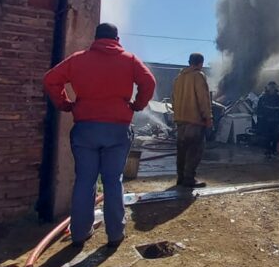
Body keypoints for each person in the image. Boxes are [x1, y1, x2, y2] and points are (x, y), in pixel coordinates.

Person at [43, 23, 156, 248]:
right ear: (116, 38)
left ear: (96, 38)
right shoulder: (129, 59)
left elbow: (50, 80)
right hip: (117, 130)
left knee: (84, 180)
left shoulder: (78, 59)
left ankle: (79, 234)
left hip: (85, 129)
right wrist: (136, 105)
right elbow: (149, 82)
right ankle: (115, 235)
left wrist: (65, 104)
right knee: (113, 181)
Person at [172, 53, 212, 189]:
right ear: (200, 63)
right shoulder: (198, 76)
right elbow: (203, 99)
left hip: (180, 121)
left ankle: (180, 178)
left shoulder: (179, 78)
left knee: (182, 151)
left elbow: (173, 99)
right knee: (194, 150)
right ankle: (189, 178)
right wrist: (208, 117)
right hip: (194, 121)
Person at [255, 81, 279, 158]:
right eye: (271, 87)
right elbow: (259, 111)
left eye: (273, 88)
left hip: (276, 121)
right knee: (266, 137)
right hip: (266, 122)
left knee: (276, 136)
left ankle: (274, 150)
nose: (272, 89)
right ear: (268, 89)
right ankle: (267, 151)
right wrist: (260, 121)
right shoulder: (263, 98)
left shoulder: (278, 98)